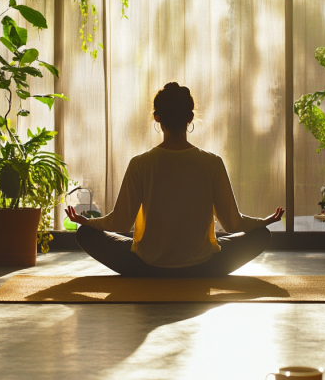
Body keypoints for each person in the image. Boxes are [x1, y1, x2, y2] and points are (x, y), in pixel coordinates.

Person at [66, 82, 285, 277]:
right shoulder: (212, 162)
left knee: (85, 234)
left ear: (157, 117)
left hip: (146, 266)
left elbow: (120, 223)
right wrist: (262, 222)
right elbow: (232, 223)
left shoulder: (140, 164)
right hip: (203, 267)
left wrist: (89, 223)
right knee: (261, 236)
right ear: (190, 118)